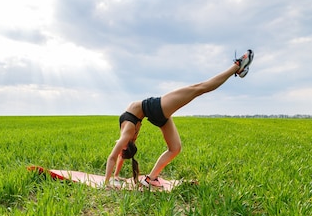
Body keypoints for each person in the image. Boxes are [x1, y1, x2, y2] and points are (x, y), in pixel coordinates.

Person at [104, 49, 254, 187]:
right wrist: (106, 183)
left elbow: (119, 155)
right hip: (155, 108)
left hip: (154, 114)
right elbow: (113, 156)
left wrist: (115, 176)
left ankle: (151, 178)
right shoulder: (127, 134)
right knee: (199, 88)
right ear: (126, 144)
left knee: (175, 148)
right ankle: (237, 66)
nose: (119, 147)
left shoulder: (127, 137)